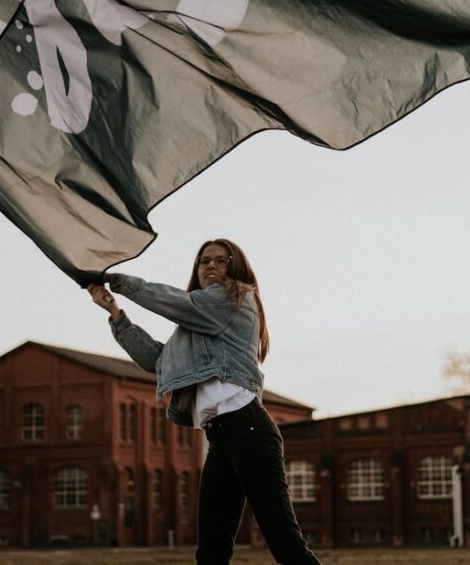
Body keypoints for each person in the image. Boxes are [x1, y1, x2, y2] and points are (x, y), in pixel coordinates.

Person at [87, 238, 320, 565]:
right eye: (204, 261)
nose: (211, 266)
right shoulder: (192, 330)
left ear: (235, 268)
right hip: (221, 439)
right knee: (211, 550)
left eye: (221, 261)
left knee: (283, 541)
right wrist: (115, 313)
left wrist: (119, 280)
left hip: (249, 430)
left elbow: (180, 303)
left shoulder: (235, 297)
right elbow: (156, 360)